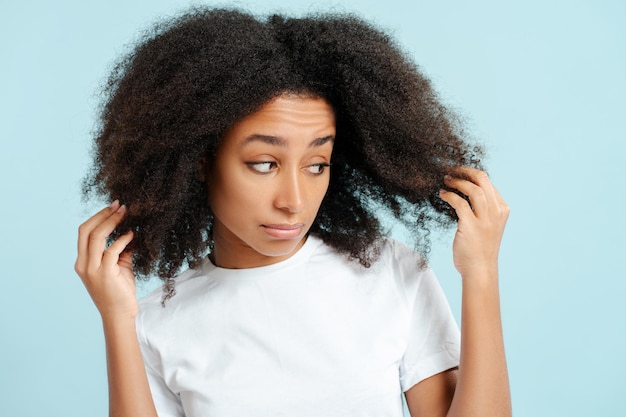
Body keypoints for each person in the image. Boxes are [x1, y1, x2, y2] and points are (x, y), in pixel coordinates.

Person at [75, 7, 511, 417]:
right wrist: (117, 319)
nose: (294, 200)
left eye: (316, 165)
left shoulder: (391, 273)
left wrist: (481, 271)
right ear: (201, 160)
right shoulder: (156, 323)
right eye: (264, 164)